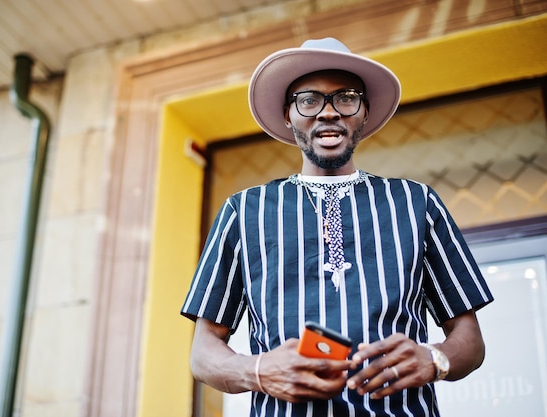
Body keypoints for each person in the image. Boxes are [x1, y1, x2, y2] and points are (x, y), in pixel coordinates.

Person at [180, 38, 493, 416]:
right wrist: (258, 370)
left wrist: (435, 358)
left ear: (363, 111)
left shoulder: (417, 202)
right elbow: (203, 353)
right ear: (287, 114)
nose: (328, 113)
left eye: (345, 98)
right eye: (309, 100)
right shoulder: (243, 211)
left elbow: (469, 339)